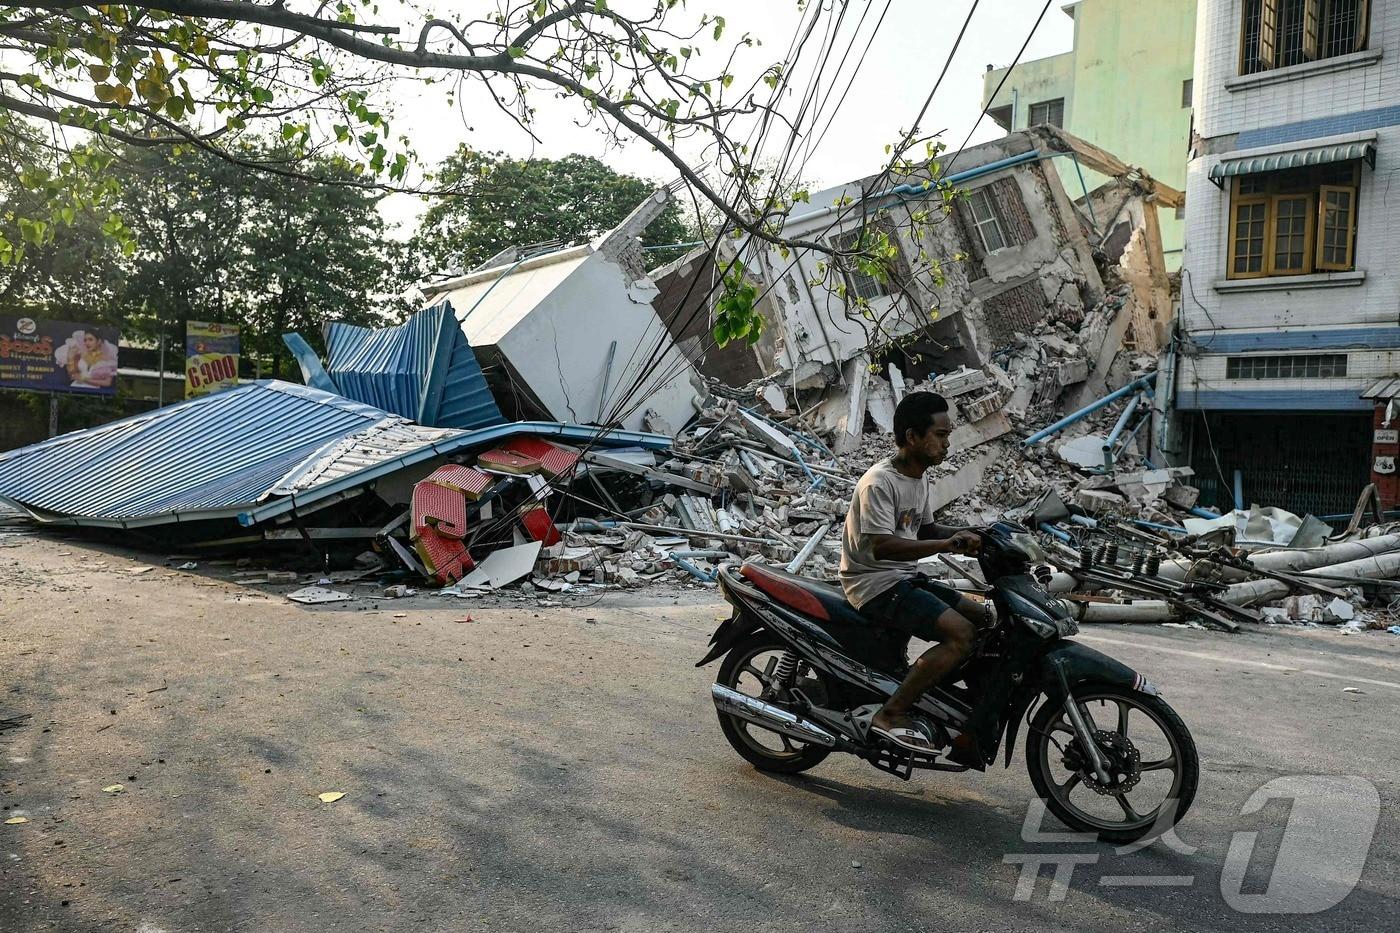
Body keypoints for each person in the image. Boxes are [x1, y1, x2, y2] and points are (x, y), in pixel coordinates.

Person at [838, 391, 991, 754]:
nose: (947, 443)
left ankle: (935, 695)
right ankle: (892, 713)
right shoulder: (880, 482)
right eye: (940, 435)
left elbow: (923, 531)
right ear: (912, 437)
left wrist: (974, 533)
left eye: (947, 434)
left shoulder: (918, 477)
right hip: (873, 583)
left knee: (986, 618)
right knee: (961, 634)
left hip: (902, 579)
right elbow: (883, 546)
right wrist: (947, 545)